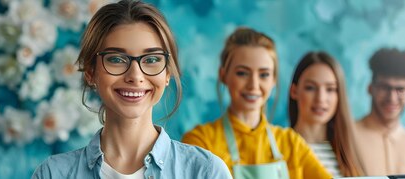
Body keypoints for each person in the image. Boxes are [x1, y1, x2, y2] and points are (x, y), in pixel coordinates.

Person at [32, 0, 232, 178]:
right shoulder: (52, 173)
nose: (135, 76)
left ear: (168, 74)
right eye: (117, 59)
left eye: (152, 59)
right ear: (91, 72)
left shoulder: (206, 172)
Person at [182, 27, 332, 179]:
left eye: (264, 74)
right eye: (242, 73)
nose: (253, 85)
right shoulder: (200, 142)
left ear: (273, 79)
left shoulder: (291, 143)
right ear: (223, 75)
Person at [355, 48, 405, 175]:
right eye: (384, 87)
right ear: (370, 88)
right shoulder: (344, 137)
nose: (392, 98)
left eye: (401, 89)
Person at [288, 51, 364, 177]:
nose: (321, 98)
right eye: (310, 88)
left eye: (330, 89)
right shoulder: (280, 148)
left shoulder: (348, 153)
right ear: (294, 91)